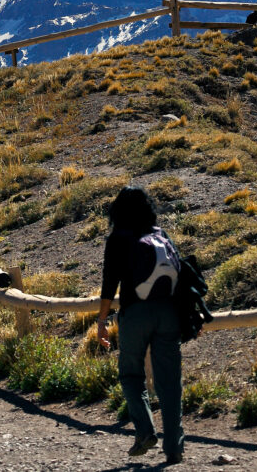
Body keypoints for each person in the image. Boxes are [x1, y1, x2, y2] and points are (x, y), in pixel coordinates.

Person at [97, 186, 184, 464]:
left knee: (131, 375)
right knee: (169, 382)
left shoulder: (118, 239)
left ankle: (145, 431)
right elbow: (182, 273)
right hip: (168, 313)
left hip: (135, 314)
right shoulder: (159, 234)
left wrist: (101, 321)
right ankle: (175, 447)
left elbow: (109, 285)